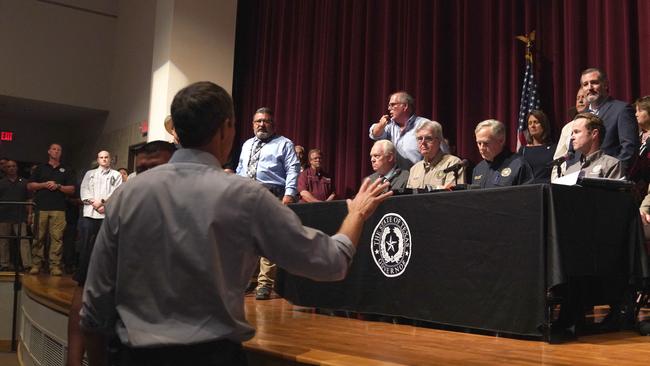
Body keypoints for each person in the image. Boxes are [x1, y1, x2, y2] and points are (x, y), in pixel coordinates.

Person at [80, 81, 392, 366]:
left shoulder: (126, 195)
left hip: (131, 357)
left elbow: (95, 301)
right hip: (211, 358)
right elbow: (331, 263)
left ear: (178, 131)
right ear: (225, 129)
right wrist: (358, 214)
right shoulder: (245, 197)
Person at [236, 107, 301, 300]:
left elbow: (293, 169)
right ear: (252, 124)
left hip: (272, 193)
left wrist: (289, 194)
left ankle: (265, 284)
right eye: (258, 121)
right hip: (246, 193)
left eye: (266, 121)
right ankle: (251, 280)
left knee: (267, 240)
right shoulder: (247, 144)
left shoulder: (284, 143)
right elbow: (241, 167)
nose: (261, 125)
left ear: (273, 124)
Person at [67, 151, 122, 366]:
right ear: (97, 159)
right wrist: (95, 203)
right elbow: (84, 191)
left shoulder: (116, 175)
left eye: (107, 157)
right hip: (91, 212)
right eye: (101, 157)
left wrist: (105, 203)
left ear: (111, 160)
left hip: (106, 213)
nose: (104, 160)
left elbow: (118, 192)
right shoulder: (90, 173)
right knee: (88, 248)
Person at [26, 143, 75, 275]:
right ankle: (36, 264)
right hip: (41, 208)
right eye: (54, 149)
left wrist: (58, 186)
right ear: (49, 151)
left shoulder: (67, 169)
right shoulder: (40, 168)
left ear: (61, 153)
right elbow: (30, 186)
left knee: (57, 238)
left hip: (59, 209)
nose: (56, 151)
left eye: (59, 150)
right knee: (38, 237)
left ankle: (55, 266)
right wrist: (44, 184)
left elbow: (71, 189)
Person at [580, 67, 638, 171]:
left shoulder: (621, 109)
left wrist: (614, 172)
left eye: (594, 82)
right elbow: (573, 151)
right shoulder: (581, 116)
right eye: (585, 84)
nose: (589, 87)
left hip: (609, 177)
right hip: (580, 178)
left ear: (605, 85)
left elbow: (629, 148)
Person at [369, 91, 431, 170]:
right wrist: (381, 125)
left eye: (392, 105)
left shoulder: (424, 124)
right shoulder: (389, 125)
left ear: (405, 106)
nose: (389, 108)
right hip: (394, 178)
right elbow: (375, 134)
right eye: (389, 105)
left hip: (417, 176)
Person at [471, 119, 534, 188]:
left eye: (486, 143)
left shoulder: (518, 165)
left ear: (501, 141)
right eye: (479, 143)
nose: (481, 148)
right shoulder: (478, 169)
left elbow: (528, 195)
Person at [560, 113, 624, 179]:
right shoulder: (570, 170)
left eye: (576, 132)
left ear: (594, 134)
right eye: (572, 133)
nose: (571, 137)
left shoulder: (611, 165)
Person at [406, 120, 465, 190]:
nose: (423, 142)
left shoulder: (453, 163)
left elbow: (453, 195)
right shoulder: (414, 169)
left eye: (428, 138)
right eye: (419, 139)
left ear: (439, 140)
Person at [0, 160, 32, 271]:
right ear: (5, 168)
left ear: (17, 168)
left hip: (20, 215)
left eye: (13, 166)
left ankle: (27, 265)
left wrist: (29, 214)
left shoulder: (24, 182)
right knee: (3, 241)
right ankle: (4, 264)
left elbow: (29, 199)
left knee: (23, 240)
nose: (11, 168)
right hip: (3, 216)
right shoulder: (1, 182)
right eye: (9, 166)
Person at [552, 88, 588, 179]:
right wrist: (555, 181)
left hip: (588, 173)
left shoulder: (598, 123)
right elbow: (558, 157)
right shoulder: (567, 128)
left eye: (584, 97)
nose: (580, 100)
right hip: (568, 175)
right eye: (578, 98)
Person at [517, 110, 557, 183]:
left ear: (543, 125)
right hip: (527, 190)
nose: (532, 126)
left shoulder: (554, 148)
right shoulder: (523, 150)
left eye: (536, 122)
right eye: (530, 123)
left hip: (547, 189)